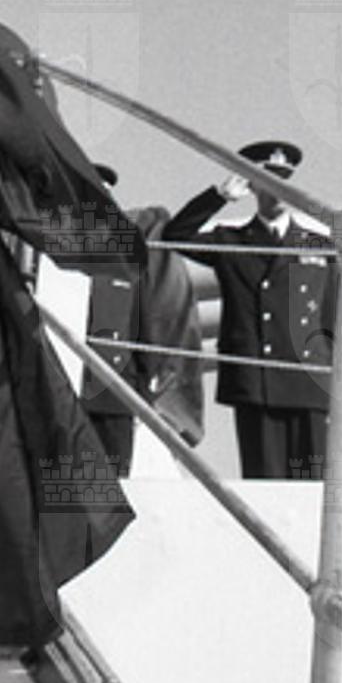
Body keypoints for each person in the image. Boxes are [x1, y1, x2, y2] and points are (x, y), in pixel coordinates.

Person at [167, 140, 332, 480]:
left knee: (313, 489)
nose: (279, 188)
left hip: (308, 383)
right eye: (268, 178)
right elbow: (175, 235)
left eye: (285, 179)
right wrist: (219, 197)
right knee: (266, 485)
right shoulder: (231, 241)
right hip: (256, 382)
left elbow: (332, 319)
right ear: (251, 185)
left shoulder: (321, 247)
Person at [79, 166, 203, 477]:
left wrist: (144, 391)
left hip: (114, 391)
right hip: (61, 387)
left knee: (114, 482)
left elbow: (145, 327)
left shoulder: (127, 264)